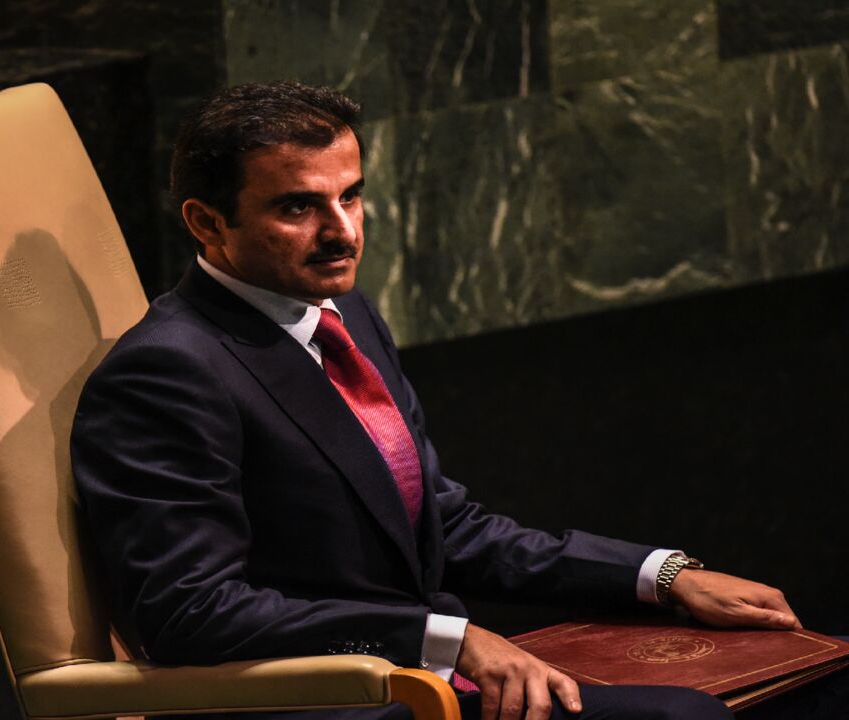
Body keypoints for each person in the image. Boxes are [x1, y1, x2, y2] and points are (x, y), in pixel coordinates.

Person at [70, 81, 839, 720]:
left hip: (428, 668)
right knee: (689, 716)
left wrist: (660, 574)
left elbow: (445, 529)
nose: (343, 233)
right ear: (208, 223)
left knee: (809, 672)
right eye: (298, 208)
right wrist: (444, 639)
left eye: (353, 196)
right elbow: (191, 615)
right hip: (336, 700)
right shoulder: (168, 374)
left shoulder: (342, 313)